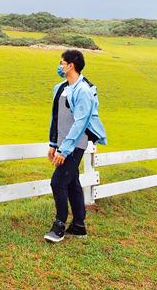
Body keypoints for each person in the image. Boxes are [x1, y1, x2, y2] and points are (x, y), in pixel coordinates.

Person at [44, 49, 107, 243]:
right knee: (72, 183)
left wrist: (65, 149)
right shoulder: (60, 88)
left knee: (58, 182)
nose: (60, 66)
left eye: (62, 62)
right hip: (62, 143)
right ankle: (79, 225)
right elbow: (55, 118)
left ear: (71, 65)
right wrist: (54, 143)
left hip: (75, 145)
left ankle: (59, 225)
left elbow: (80, 124)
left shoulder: (84, 91)